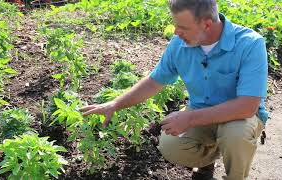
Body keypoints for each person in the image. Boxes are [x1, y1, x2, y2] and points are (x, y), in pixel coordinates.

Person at [80, 0, 268, 179]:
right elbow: (154, 81)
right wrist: (115, 104)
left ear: (207, 25)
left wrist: (190, 118)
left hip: (240, 118)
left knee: (235, 135)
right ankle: (207, 161)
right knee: (171, 145)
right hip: (201, 113)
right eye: (175, 25)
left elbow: (247, 106)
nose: (176, 32)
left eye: (183, 27)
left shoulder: (250, 44)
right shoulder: (179, 44)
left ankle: (236, 176)